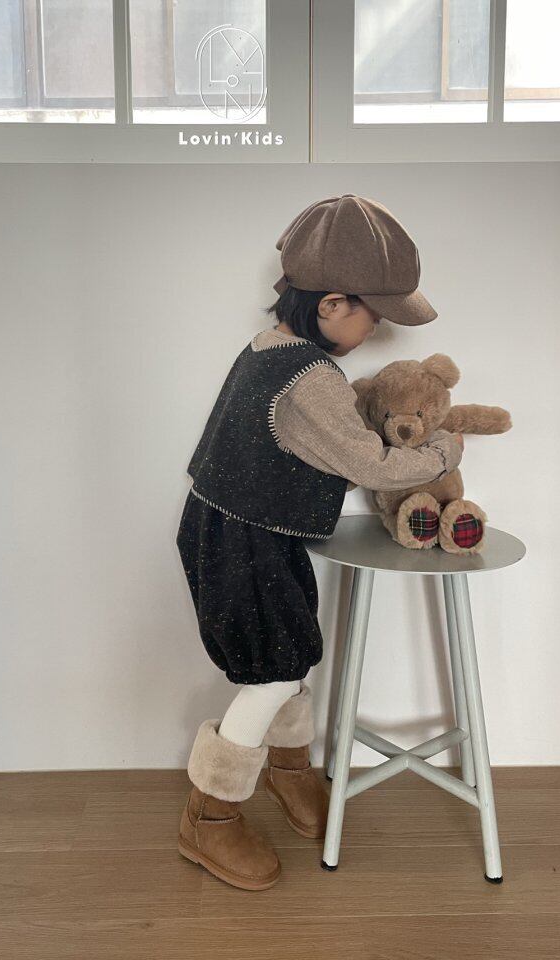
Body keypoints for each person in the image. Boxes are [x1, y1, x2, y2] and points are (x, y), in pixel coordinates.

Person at [175, 195, 464, 891]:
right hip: (242, 538)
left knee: (294, 650)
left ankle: (289, 769)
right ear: (332, 305)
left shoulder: (268, 348)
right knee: (273, 672)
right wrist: (445, 452)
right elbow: (371, 464)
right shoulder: (310, 379)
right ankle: (209, 815)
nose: (377, 329)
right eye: (374, 314)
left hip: (245, 527)